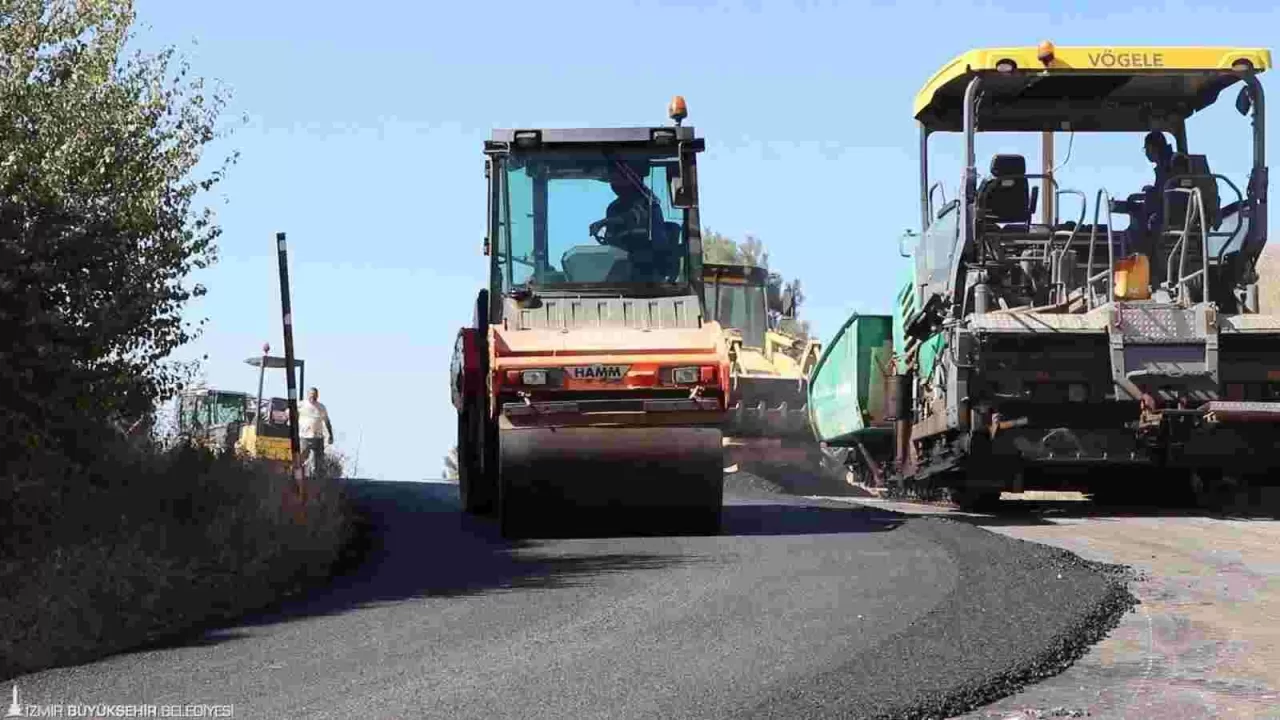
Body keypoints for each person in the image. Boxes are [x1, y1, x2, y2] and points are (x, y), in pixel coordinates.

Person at [587, 159, 675, 280]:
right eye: (612, 179)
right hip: (623, 271)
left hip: (648, 271)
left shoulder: (648, 201)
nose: (614, 183)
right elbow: (611, 242)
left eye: (618, 178)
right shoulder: (614, 208)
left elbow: (634, 217)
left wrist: (604, 222)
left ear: (632, 177)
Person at [298, 387, 334, 477]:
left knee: (318, 460)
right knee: (302, 457)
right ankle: (297, 475)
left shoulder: (321, 407)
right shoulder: (301, 405)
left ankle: (314, 478)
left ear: (317, 396)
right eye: (311, 394)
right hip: (305, 436)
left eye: (315, 395)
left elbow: (327, 421)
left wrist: (330, 435)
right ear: (308, 395)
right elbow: (290, 412)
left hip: (318, 437)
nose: (313, 397)